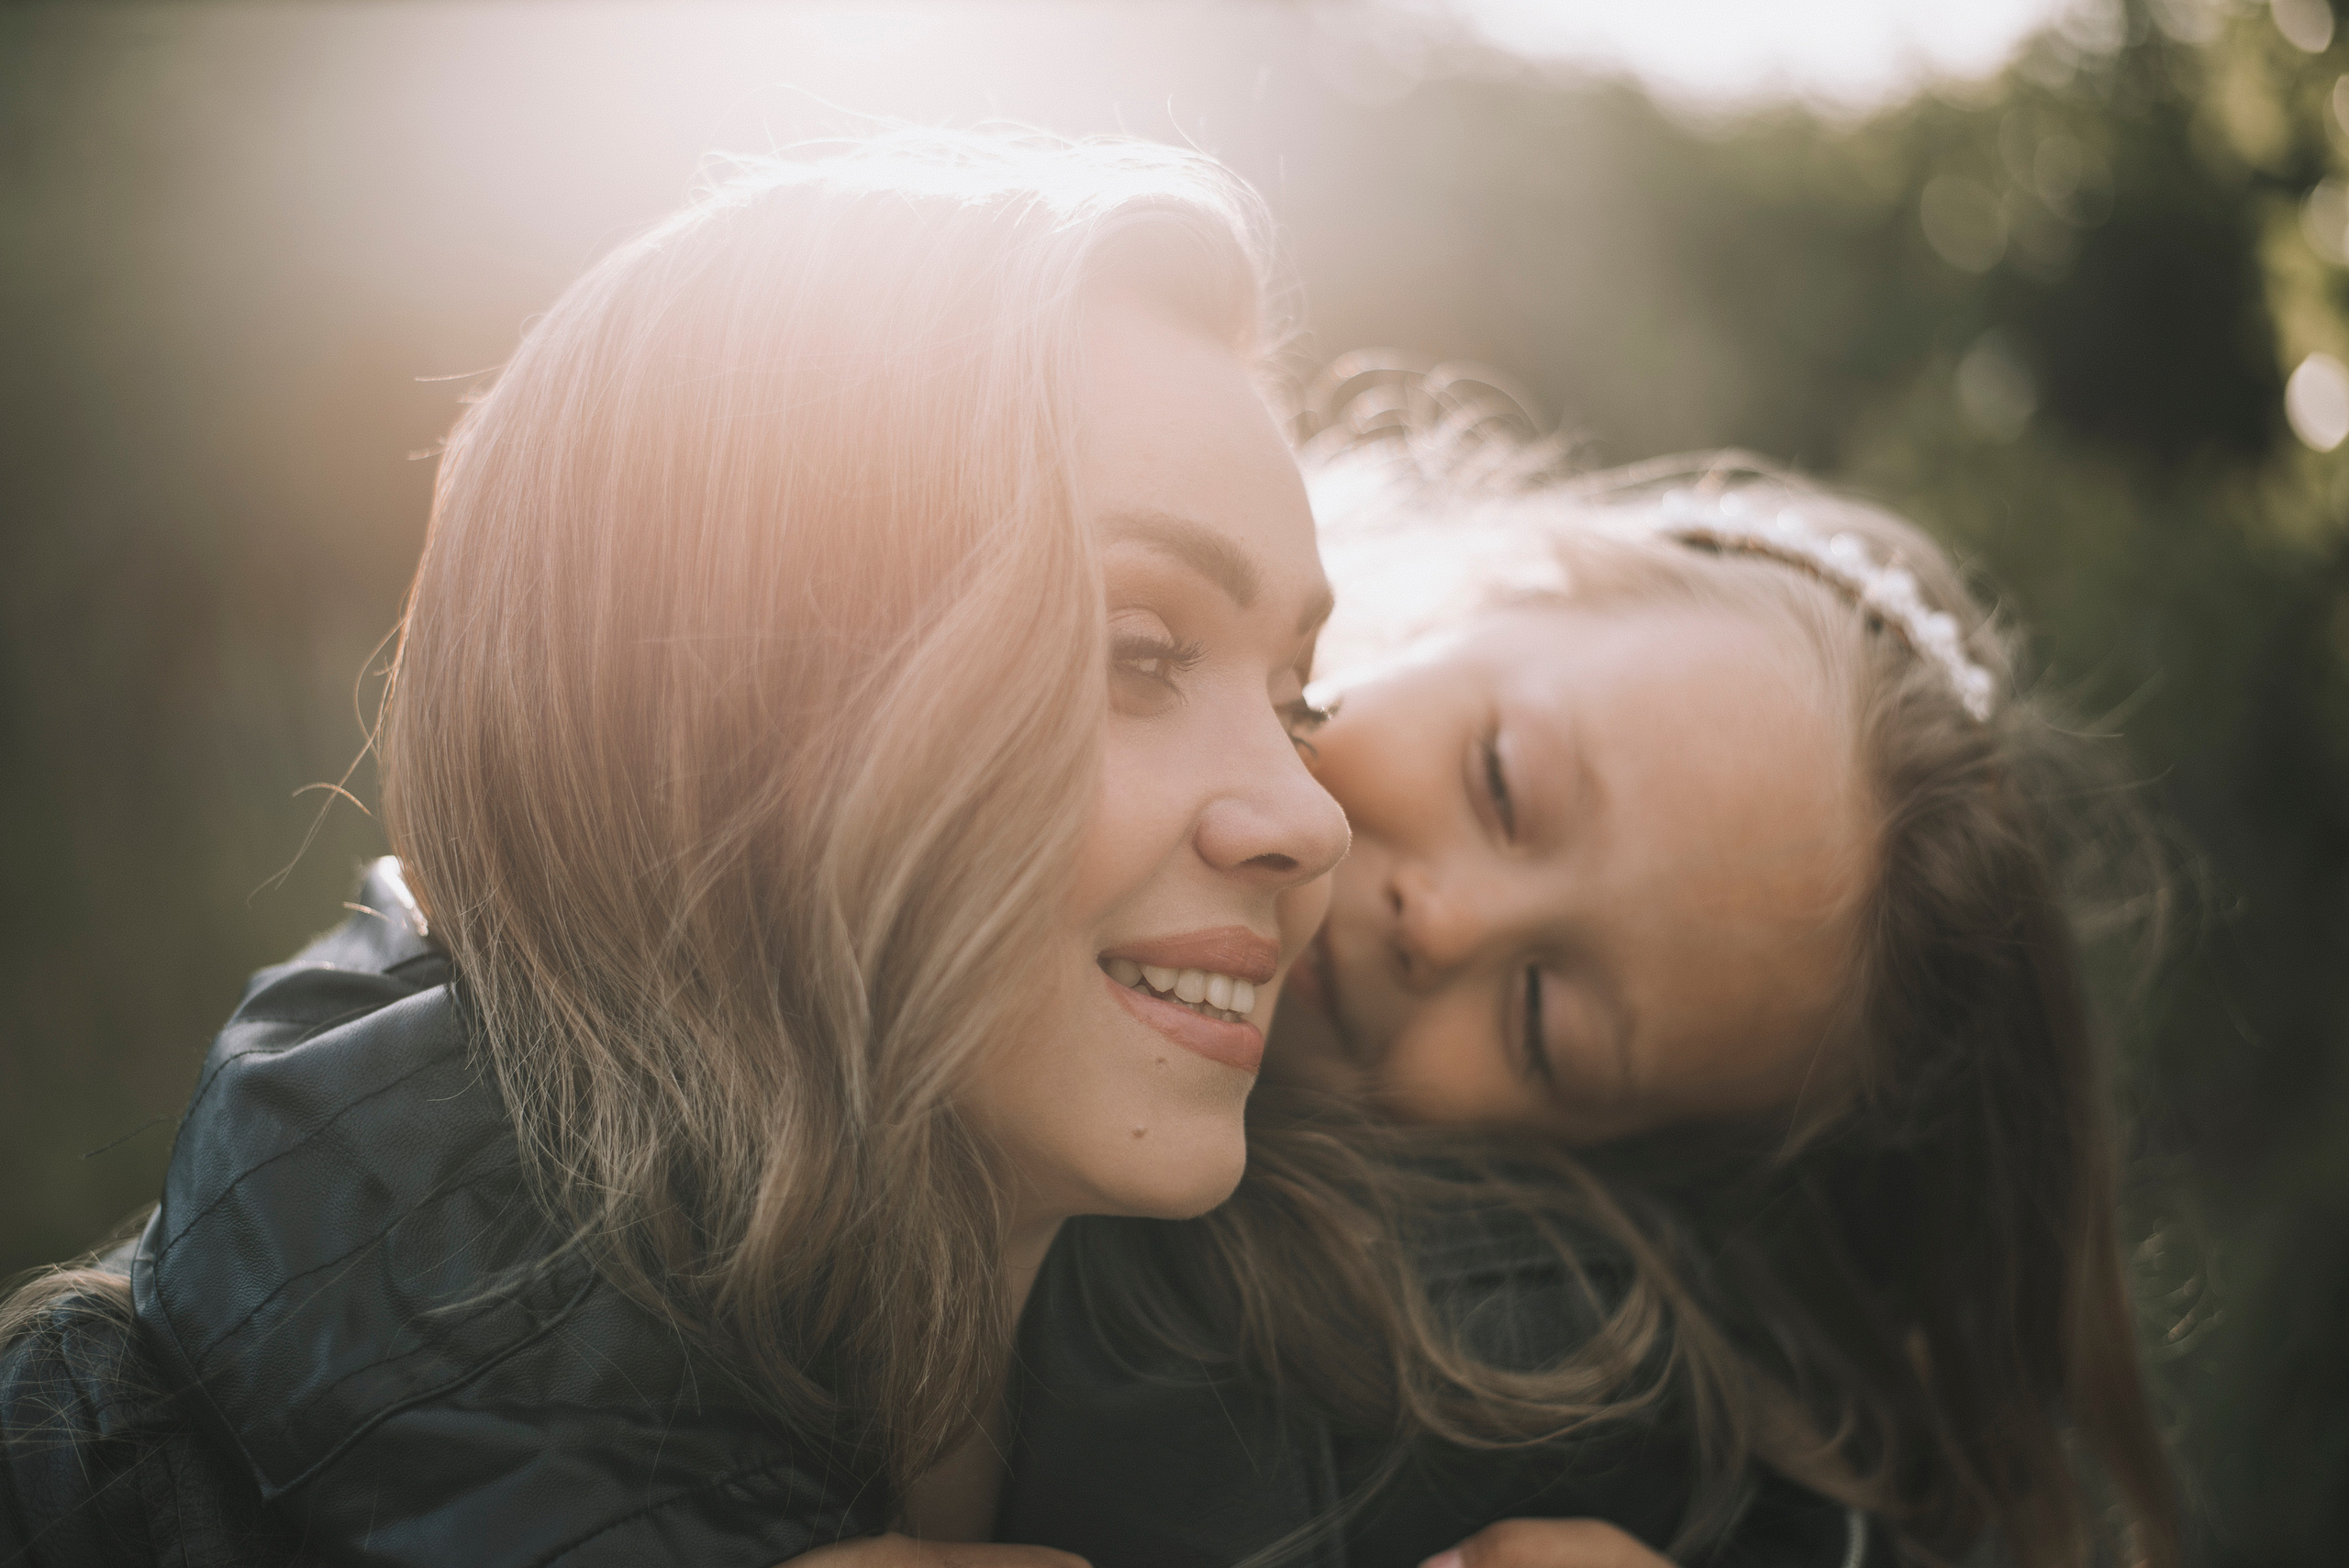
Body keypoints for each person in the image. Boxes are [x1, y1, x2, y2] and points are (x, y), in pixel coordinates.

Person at [0, 136, 1855, 1568]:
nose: (1312, 823)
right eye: (1139, 655)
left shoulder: (1365, 1367)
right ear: (726, 693)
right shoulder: (112, 1471)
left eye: (1292, 693)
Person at [1247, 371, 2182, 1568]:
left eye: (1543, 1022)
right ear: (1498, 586)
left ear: (1586, 1162)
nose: (1445, 926)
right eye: (1502, 782)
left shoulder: (1390, 1380)